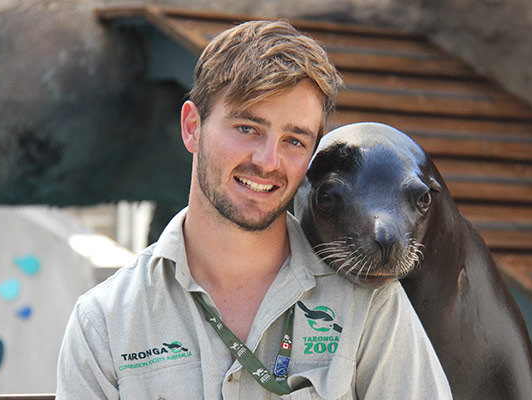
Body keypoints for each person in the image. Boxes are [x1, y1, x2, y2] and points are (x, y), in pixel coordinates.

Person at [56, 20, 452, 399]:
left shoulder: (368, 304)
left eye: (294, 141)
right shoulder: (105, 321)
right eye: (248, 128)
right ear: (192, 127)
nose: (267, 161)